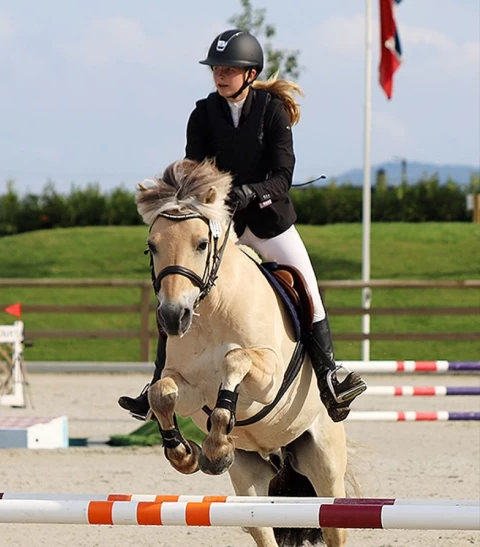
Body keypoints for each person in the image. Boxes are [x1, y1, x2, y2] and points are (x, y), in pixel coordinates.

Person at [118, 29, 367, 423]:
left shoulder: (272, 112)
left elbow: (283, 176)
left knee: (307, 286)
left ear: (250, 74)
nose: (220, 75)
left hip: (269, 221)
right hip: (221, 225)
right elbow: (193, 171)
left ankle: (329, 377)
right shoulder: (202, 114)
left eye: (230, 69)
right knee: (177, 284)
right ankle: (155, 382)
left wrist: (251, 194)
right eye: (217, 68)